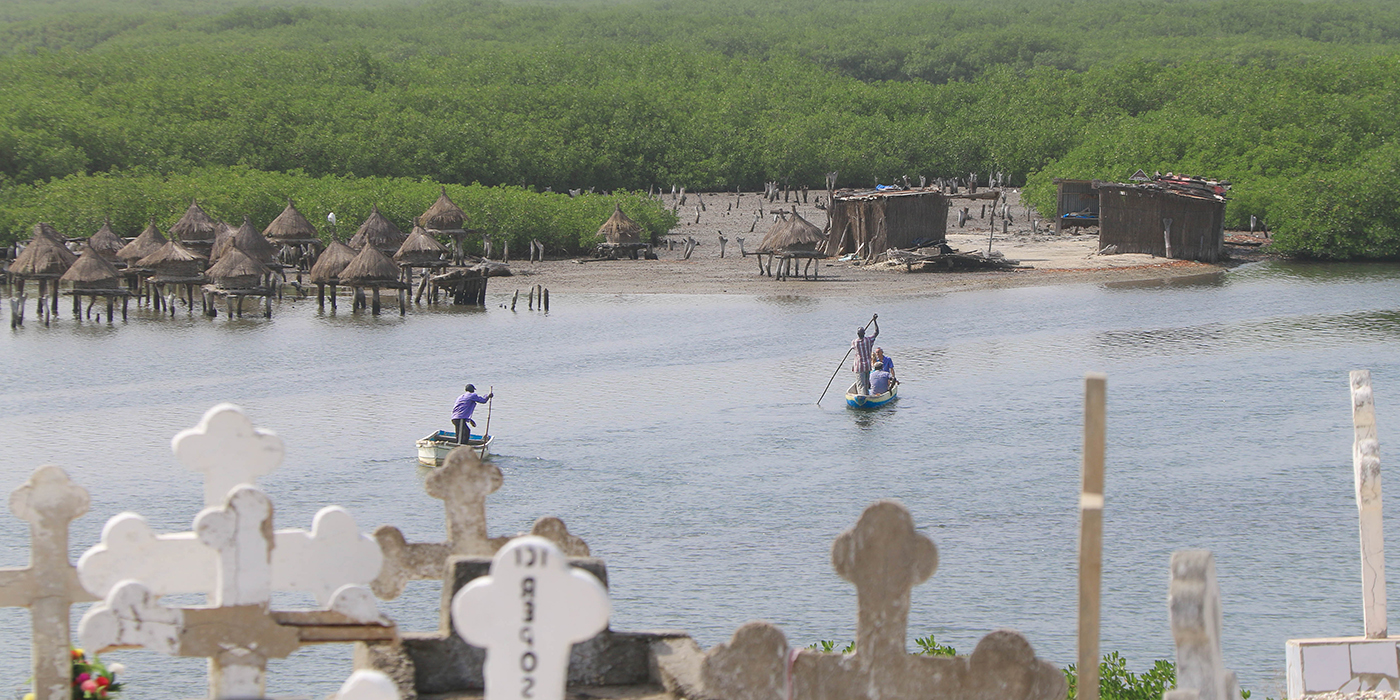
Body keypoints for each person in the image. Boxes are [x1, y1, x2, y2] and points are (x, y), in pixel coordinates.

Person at [850, 315, 879, 395]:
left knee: (861, 385)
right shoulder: (869, 340)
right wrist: (875, 321)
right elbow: (876, 332)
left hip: (859, 367)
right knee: (866, 384)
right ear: (864, 333)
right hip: (867, 366)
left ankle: (863, 397)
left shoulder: (854, 342)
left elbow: (852, 347)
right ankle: (866, 395)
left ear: (857, 334)